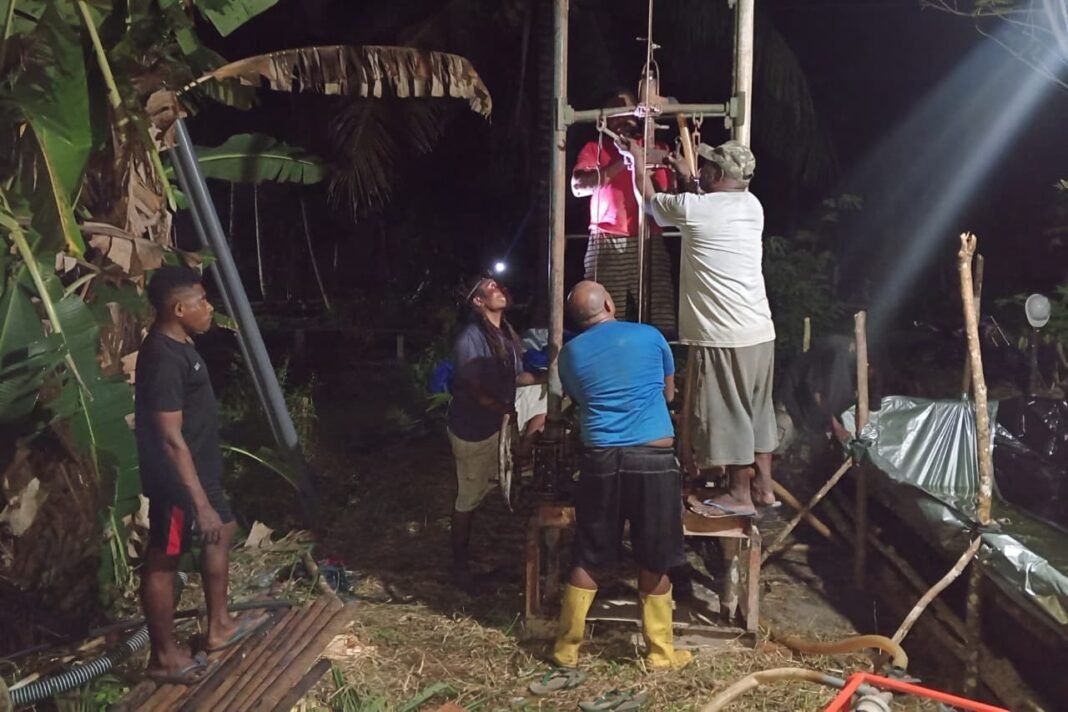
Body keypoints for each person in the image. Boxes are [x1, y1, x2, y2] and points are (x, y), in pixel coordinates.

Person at [625, 138, 778, 515]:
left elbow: (650, 203)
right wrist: (690, 180)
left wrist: (637, 161)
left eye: (707, 165)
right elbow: (707, 204)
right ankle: (764, 486)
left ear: (718, 173)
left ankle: (739, 495)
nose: (702, 169)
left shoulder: (697, 208)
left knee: (729, 413)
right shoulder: (753, 205)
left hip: (724, 335)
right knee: (757, 411)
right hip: (760, 331)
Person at [135, 266, 267, 684]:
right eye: (202, 301)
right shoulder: (162, 358)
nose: (209, 308)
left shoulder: (181, 344)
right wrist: (199, 503)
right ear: (179, 309)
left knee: (224, 530)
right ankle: (163, 657)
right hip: (177, 484)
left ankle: (219, 626)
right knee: (165, 559)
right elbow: (170, 438)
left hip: (200, 472)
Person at [551, 280, 692, 671]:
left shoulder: (569, 354)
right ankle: (660, 655)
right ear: (610, 304)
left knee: (589, 554)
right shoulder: (650, 336)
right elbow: (668, 395)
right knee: (654, 556)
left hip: (600, 460)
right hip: (653, 459)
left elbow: (581, 398)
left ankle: (566, 649)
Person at [447, 274, 543, 590]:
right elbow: (471, 385)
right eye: (491, 288)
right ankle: (459, 566)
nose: (499, 289)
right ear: (478, 302)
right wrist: (501, 407)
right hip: (473, 426)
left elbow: (517, 377)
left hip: (496, 419)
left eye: (499, 285)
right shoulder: (471, 337)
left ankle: (524, 450)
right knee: (469, 497)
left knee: (549, 400)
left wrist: (548, 377)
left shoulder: (506, 334)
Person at [572, 90, 677, 334]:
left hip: (651, 238)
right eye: (616, 113)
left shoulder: (658, 147)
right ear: (606, 119)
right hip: (607, 240)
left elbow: (668, 196)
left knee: (660, 315)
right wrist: (624, 160)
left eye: (629, 113)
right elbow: (578, 187)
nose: (623, 119)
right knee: (602, 314)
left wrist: (646, 160)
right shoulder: (595, 148)